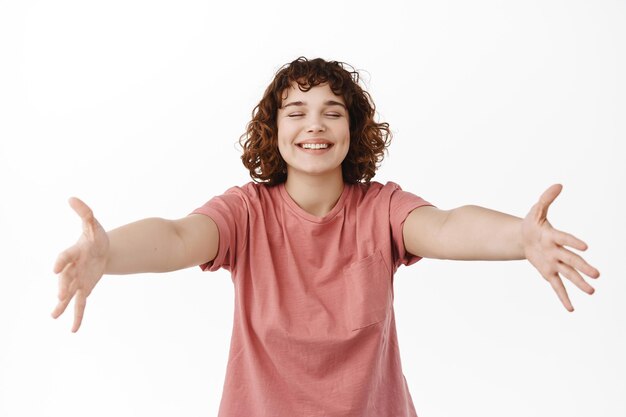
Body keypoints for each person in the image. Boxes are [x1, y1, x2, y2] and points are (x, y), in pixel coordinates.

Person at [51, 57, 600, 417]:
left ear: (352, 132)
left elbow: (448, 225)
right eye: (297, 112)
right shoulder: (246, 212)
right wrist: (109, 253)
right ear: (275, 130)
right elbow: (176, 237)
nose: (314, 125)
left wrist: (520, 237)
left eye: (331, 113)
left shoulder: (380, 208)